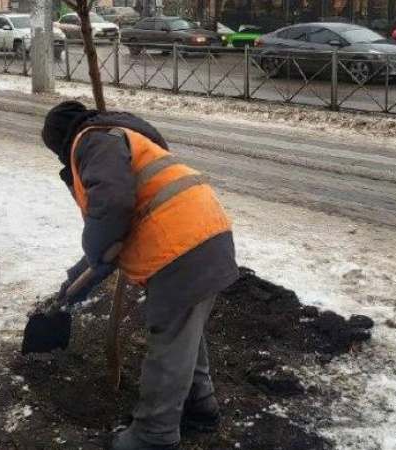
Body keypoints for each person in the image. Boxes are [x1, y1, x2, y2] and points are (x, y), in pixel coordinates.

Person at [41, 101, 239, 450]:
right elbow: (114, 228)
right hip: (203, 234)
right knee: (183, 330)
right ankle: (200, 405)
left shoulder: (91, 141)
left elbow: (112, 208)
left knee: (167, 342)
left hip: (183, 246)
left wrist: (98, 248)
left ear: (61, 142)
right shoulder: (120, 136)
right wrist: (79, 275)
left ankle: (154, 436)